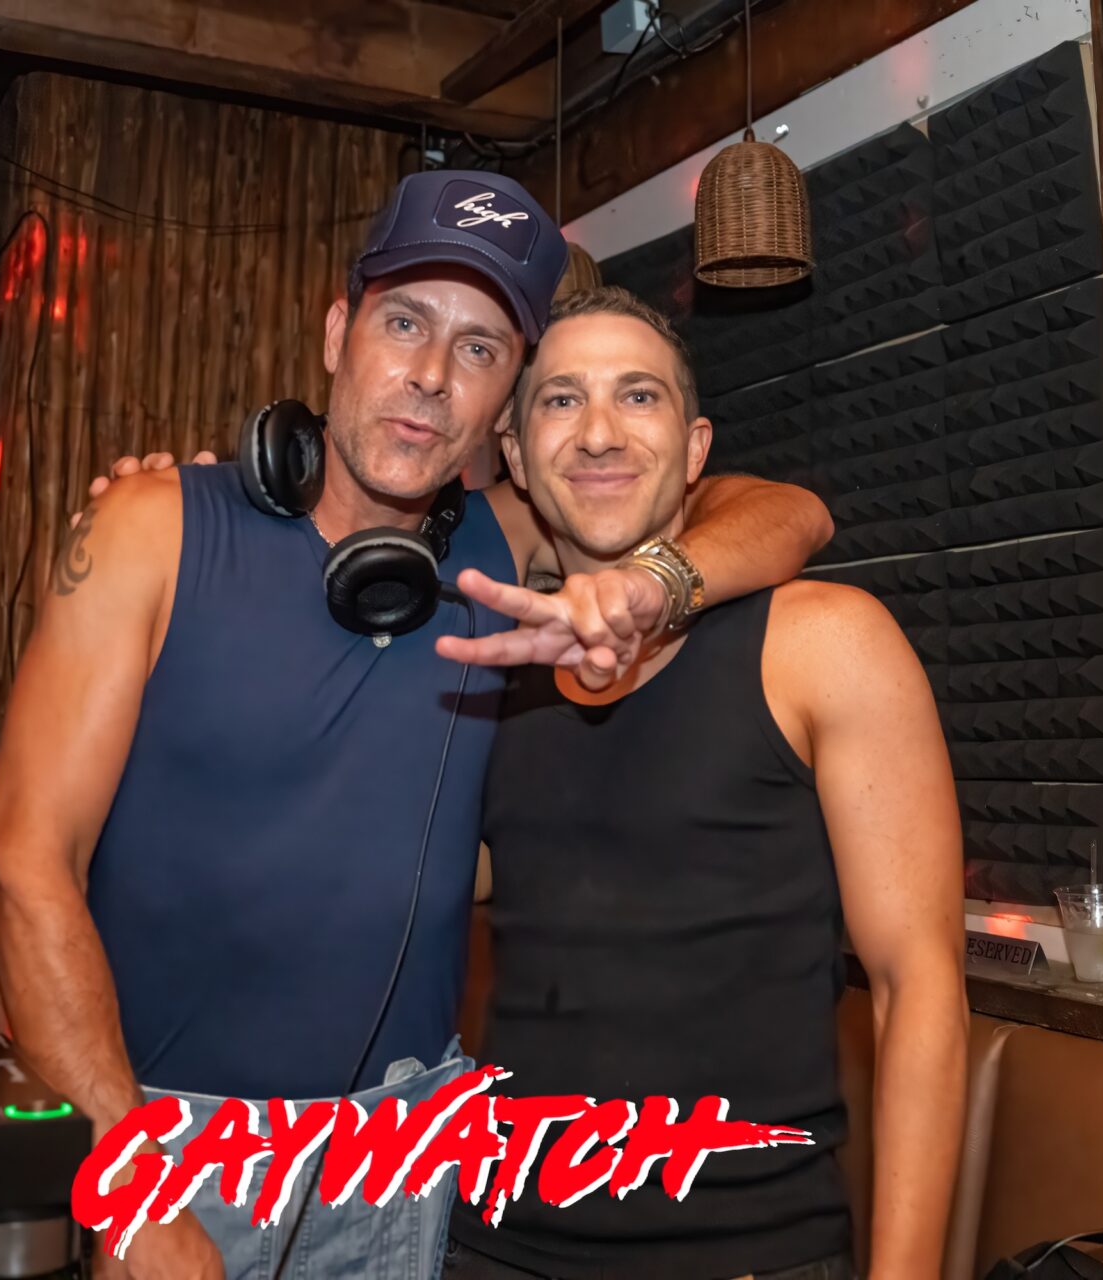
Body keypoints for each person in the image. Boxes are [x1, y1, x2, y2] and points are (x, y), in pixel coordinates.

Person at [0, 172, 834, 1280]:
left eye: (479, 349)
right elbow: (22, 868)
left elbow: (789, 513)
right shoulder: (153, 527)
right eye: (405, 323)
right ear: (340, 332)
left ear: (503, 410)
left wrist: (656, 582)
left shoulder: (502, 546)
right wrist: (134, 1184)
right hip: (165, 1140)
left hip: (410, 1156)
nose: (431, 374)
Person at [431, 287, 969, 1280]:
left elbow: (918, 987)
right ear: (515, 454)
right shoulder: (491, 676)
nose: (599, 431)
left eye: (638, 396)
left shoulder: (823, 642)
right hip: (490, 1247)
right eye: (560, 400)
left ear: (694, 448)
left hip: (744, 1250)